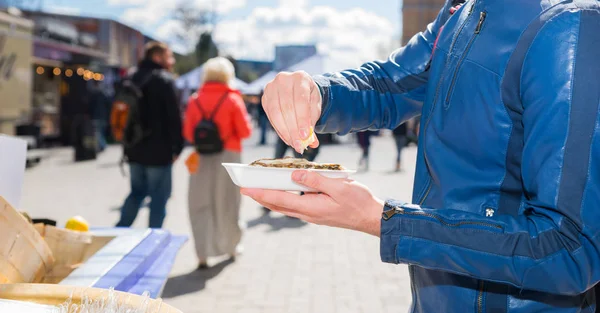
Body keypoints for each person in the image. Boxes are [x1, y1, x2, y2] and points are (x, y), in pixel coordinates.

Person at [242, 1, 600, 312]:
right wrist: (315, 92)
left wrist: (385, 221)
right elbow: (390, 84)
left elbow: (568, 249)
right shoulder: (460, 11)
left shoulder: (569, 26)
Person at [183, 57, 252, 269]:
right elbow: (245, 131)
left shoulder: (194, 99)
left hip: (202, 155)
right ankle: (231, 247)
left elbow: (188, 132)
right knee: (228, 202)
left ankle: (202, 254)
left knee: (200, 203)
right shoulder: (233, 100)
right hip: (229, 155)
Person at [116, 42, 183, 229]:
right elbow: (174, 118)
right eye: (169, 56)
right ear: (157, 57)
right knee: (159, 197)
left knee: (136, 192)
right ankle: (152, 238)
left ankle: (119, 231)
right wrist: (178, 147)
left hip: (133, 148)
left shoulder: (130, 77)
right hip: (159, 152)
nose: (172, 61)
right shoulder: (164, 80)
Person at [88, 80, 111, 152]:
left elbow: (90, 107)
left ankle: (103, 145)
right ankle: (101, 146)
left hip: (96, 117)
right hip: (103, 116)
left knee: (98, 132)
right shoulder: (104, 94)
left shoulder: (94, 94)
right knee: (101, 132)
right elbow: (109, 105)